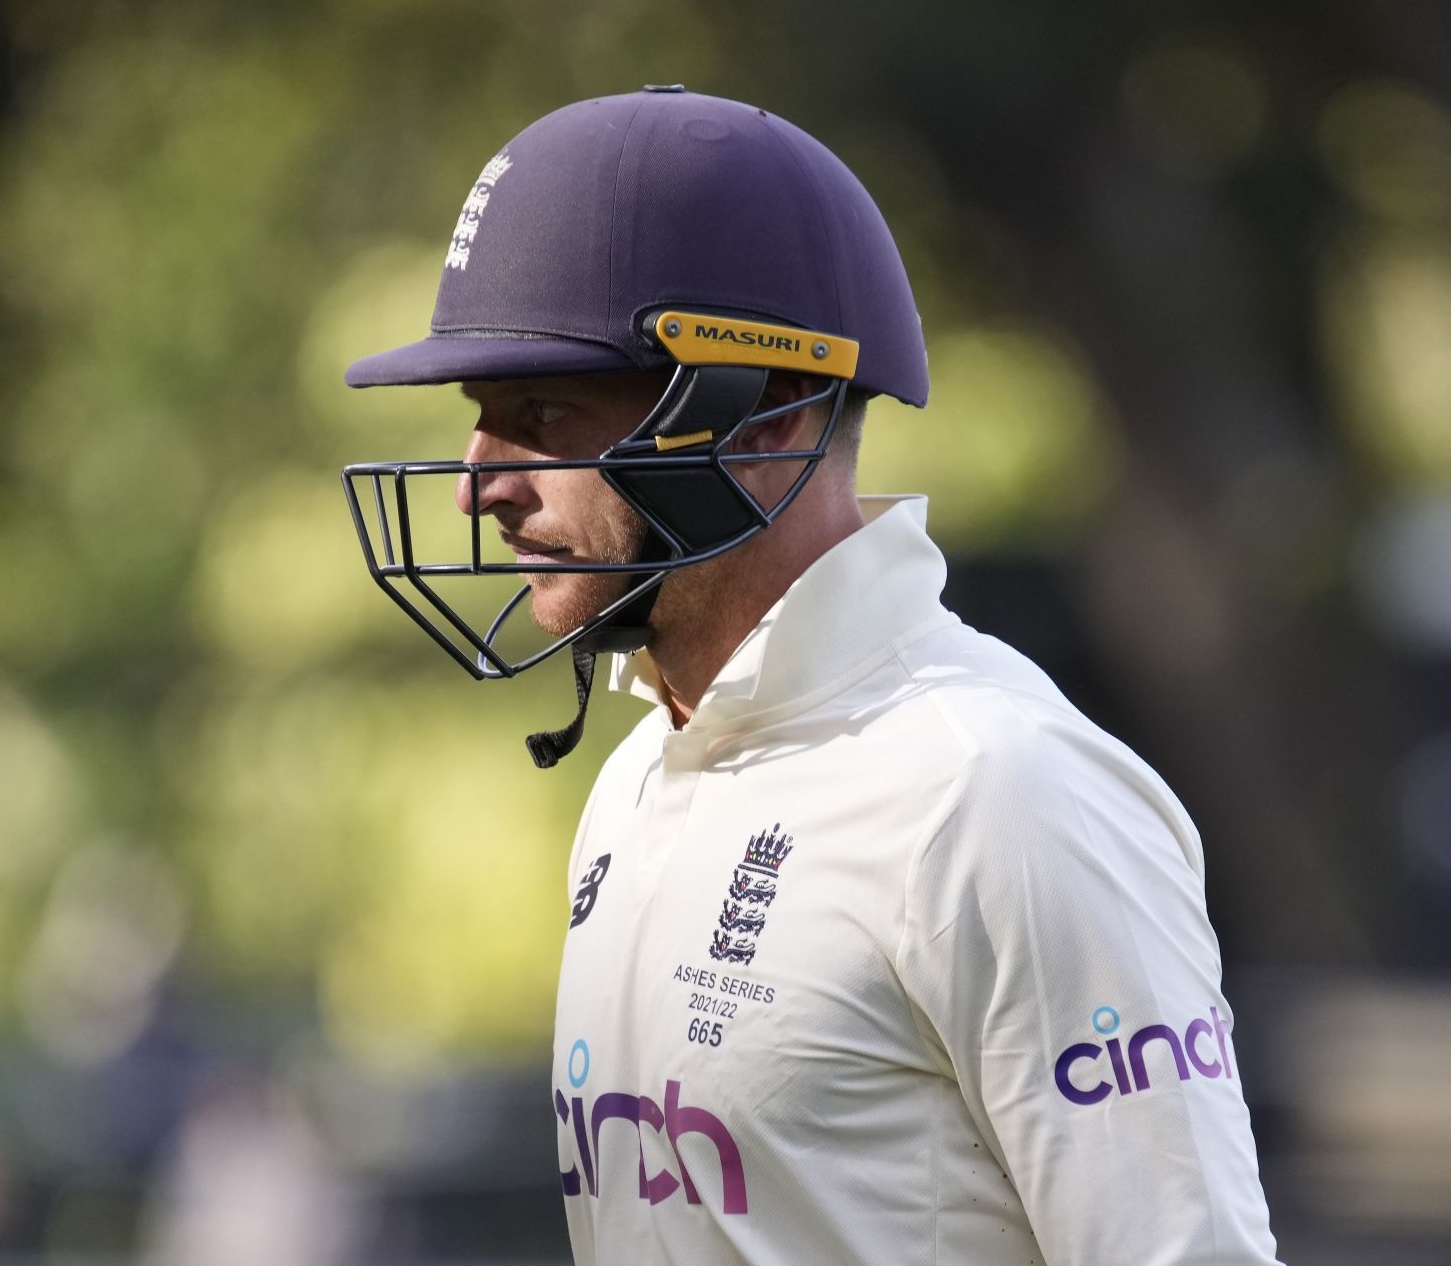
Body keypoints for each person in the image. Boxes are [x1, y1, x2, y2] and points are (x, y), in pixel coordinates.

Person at [341, 87, 1280, 1264]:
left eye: (542, 413)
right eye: (481, 419)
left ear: (767, 411)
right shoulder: (635, 788)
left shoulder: (1000, 792)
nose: (482, 483)